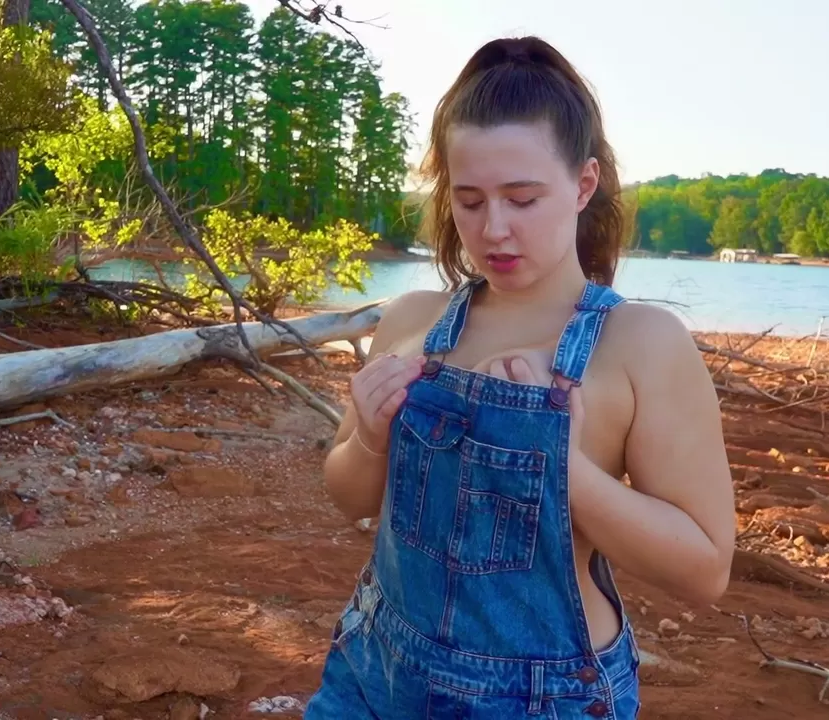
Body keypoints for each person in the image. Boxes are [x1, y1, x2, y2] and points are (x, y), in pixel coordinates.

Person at [304, 35, 736, 719]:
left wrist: (570, 471)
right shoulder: (412, 319)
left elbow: (706, 568)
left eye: (522, 198)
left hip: (540, 698)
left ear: (583, 185)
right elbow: (349, 496)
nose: (494, 229)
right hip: (375, 663)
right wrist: (367, 440)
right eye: (470, 201)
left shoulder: (639, 344)